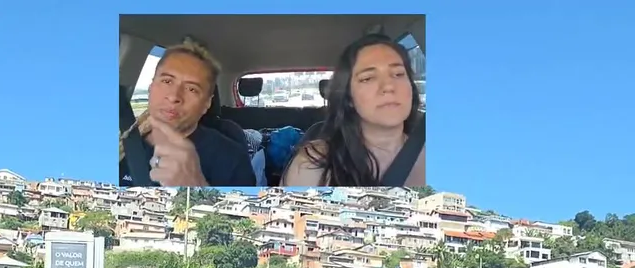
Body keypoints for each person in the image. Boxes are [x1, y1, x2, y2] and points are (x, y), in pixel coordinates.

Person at [281, 34, 426, 187]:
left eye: (398, 74)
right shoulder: (311, 166)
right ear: (349, 98)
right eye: (368, 78)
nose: (389, 86)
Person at [120, 41, 257, 188]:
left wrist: (195, 185)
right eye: (167, 81)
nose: (174, 96)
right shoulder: (120, 138)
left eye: (192, 89)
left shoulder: (232, 160)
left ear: (207, 103)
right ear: (151, 87)